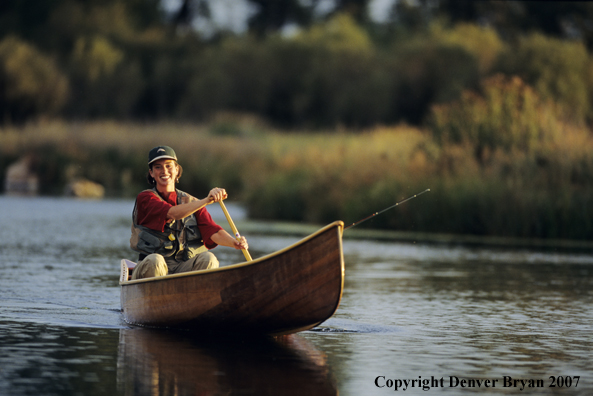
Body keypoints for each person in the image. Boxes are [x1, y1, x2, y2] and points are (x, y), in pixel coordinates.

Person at [129, 145, 248, 280]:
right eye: (158, 167)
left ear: (177, 169)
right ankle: (155, 297)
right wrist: (207, 200)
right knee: (155, 261)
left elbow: (212, 231)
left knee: (208, 258)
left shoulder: (193, 202)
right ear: (151, 173)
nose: (164, 171)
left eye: (169, 166)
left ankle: (195, 296)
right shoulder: (145, 198)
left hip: (182, 268)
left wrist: (235, 243)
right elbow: (172, 213)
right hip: (151, 268)